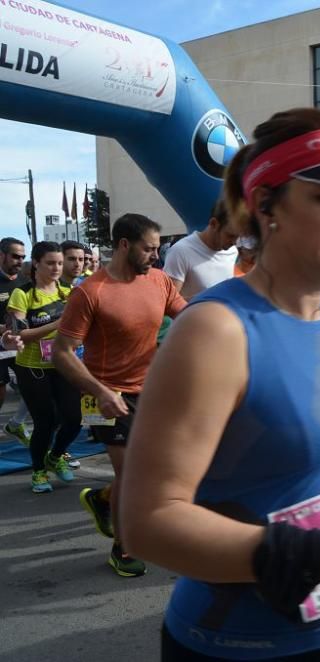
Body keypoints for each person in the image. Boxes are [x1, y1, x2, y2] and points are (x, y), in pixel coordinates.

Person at [117, 108, 320, 661]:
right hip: (244, 643)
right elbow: (148, 523)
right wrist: (313, 556)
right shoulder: (215, 330)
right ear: (265, 208)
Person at [53, 214, 187, 577]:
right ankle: (122, 548)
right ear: (124, 245)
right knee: (132, 475)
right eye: (149, 249)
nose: (156, 257)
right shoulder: (91, 291)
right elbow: (64, 351)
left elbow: (189, 317)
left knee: (158, 471)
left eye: (158, 249)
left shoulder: (158, 281)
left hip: (152, 389)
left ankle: (102, 498)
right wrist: (98, 390)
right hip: (105, 395)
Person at [7, 241, 79, 493]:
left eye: (60, 263)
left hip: (63, 362)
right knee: (45, 421)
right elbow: (21, 334)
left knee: (74, 419)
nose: (57, 268)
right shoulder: (22, 293)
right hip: (32, 367)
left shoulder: (68, 292)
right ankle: (38, 471)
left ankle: (55, 456)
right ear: (36, 263)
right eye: (50, 263)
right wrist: (59, 323)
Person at [163, 199, 240, 298]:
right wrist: (206, 302)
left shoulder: (233, 252)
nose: (235, 242)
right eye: (230, 235)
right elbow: (169, 302)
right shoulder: (180, 251)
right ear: (214, 223)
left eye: (239, 236)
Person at [0, 237, 29, 444]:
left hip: (19, 345)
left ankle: (16, 423)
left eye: (23, 257)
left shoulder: (24, 283)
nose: (19, 261)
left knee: (33, 386)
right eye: (15, 256)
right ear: (1, 255)